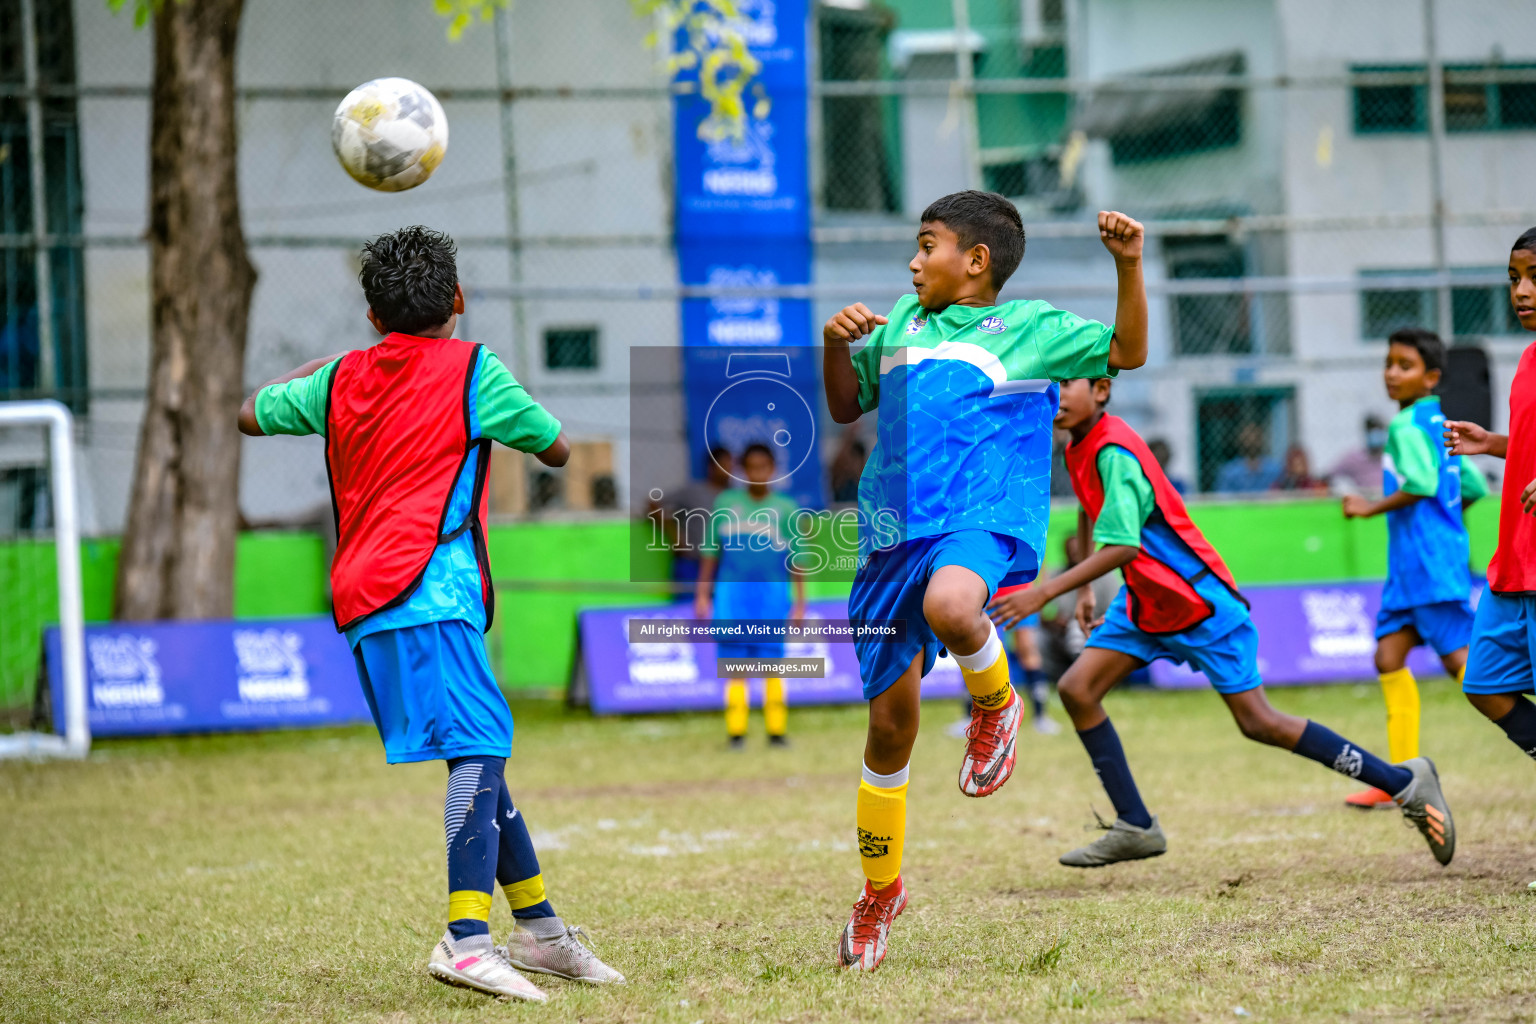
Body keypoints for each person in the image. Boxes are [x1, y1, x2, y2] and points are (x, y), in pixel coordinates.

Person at [237, 226, 624, 1001]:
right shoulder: (476, 369)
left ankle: (543, 934)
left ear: (373, 315)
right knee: (482, 746)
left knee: (476, 755)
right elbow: (554, 448)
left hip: (366, 602)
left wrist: (342, 362)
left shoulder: (340, 378)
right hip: (430, 592)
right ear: (458, 299)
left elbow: (249, 414)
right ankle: (468, 939)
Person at [822, 190, 1150, 971]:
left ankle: (996, 705)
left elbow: (1128, 353)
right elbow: (844, 406)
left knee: (953, 603)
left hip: (981, 517)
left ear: (974, 261)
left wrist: (1128, 266)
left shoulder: (1031, 327)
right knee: (888, 732)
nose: (911, 258)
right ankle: (878, 897)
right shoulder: (899, 327)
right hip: (890, 535)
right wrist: (834, 346)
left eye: (925, 243)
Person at [990, 377, 1455, 870]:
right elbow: (1090, 506)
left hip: (1197, 602)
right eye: (1051, 384)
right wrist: (1084, 589)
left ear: (1102, 390)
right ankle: (1136, 825)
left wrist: (1044, 591)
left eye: (1068, 384)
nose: (1056, 396)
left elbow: (1124, 545)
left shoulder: (1115, 452)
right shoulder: (1079, 444)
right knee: (1078, 689)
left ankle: (1404, 783)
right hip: (1148, 602)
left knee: (1261, 723)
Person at [1340, 328, 1487, 808]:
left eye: (1404, 365)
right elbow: (1474, 486)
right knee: (1388, 657)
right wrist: (1447, 524)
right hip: (1417, 567)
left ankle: (1523, 722)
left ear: (1431, 377)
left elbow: (1423, 484)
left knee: (1465, 667)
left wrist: (1368, 507)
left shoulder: (1404, 427)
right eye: (1388, 363)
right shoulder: (1440, 422)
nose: (1391, 373)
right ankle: (1400, 780)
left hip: (1424, 567)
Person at [1445, 228, 1536, 889]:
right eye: (1514, 277)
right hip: (1514, 562)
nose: (1523, 290)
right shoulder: (1529, 359)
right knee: (1484, 684)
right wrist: (1495, 444)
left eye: (1534, 275)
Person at [694, 442, 807, 748]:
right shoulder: (725, 504)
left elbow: (798, 560)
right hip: (731, 601)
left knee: (772, 666)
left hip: (771, 600)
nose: (758, 474)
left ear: (773, 470)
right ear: (742, 471)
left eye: (764, 467)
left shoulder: (786, 509)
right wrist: (703, 594)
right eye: (751, 468)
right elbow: (710, 553)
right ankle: (736, 733)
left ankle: (776, 732)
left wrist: (799, 604)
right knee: (734, 666)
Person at [1215, 422, 1283, 493]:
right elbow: (1223, 498)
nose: (1251, 441)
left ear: (1261, 440)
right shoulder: (1229, 472)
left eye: (1255, 438)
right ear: (1239, 441)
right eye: (1247, 438)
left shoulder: (1274, 470)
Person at [1329, 414, 1388, 493]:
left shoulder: (1393, 457)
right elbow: (1330, 475)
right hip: (1366, 501)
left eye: (1378, 430)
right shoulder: (1354, 458)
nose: (1375, 434)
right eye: (1371, 430)